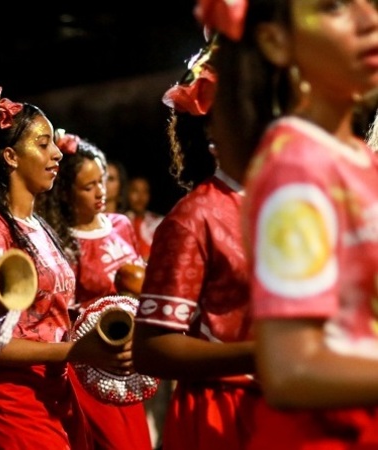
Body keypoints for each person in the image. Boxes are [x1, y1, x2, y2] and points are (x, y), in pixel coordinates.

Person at [201, 0, 378, 448]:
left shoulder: (354, 158)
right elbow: (290, 370)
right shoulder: (296, 168)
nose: (369, 20)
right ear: (277, 42)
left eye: (372, 2)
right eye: (333, 6)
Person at [0, 85, 135, 449]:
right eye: (42, 144)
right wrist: (75, 351)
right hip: (8, 402)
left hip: (52, 391)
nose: (57, 154)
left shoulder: (36, 225)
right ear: (10, 156)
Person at [131, 31, 257, 450]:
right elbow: (151, 349)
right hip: (221, 414)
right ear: (215, 125)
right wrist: (260, 354)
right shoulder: (195, 216)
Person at [36, 131, 152, 450]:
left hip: (129, 360)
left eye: (102, 181)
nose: (101, 192)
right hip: (91, 365)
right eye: (89, 187)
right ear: (64, 193)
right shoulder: (62, 243)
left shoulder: (121, 225)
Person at [125, 175, 163, 262]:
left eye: (145, 192)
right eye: (135, 191)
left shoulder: (158, 222)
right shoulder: (120, 223)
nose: (140, 197)